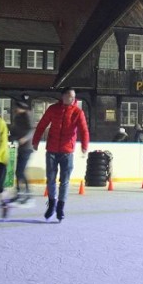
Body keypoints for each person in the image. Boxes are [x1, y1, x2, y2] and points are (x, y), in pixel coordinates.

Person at [32, 87, 90, 222]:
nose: (73, 99)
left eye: (74, 97)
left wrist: (84, 145)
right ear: (63, 96)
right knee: (50, 179)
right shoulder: (53, 109)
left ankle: (60, 207)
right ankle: (52, 204)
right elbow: (42, 125)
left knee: (64, 181)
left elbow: (84, 130)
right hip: (52, 150)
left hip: (67, 151)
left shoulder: (77, 112)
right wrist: (35, 141)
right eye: (70, 96)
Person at [8, 100, 35, 206]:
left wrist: (24, 138)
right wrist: (9, 137)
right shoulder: (17, 117)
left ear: (22, 108)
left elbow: (32, 130)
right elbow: (14, 131)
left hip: (27, 148)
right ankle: (19, 194)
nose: (15, 110)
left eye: (17, 108)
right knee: (18, 172)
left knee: (20, 171)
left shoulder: (27, 115)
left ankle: (28, 194)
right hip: (20, 148)